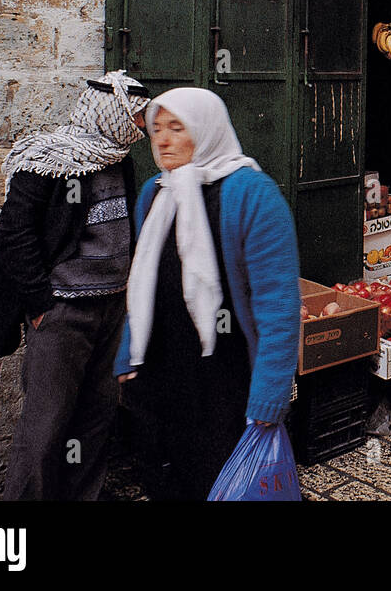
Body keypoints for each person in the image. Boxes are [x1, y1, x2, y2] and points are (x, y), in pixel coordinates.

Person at [113, 88, 302, 501]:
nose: (161, 140)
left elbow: (279, 306)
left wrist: (270, 396)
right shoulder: (155, 193)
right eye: (156, 128)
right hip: (161, 372)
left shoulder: (253, 195)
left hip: (224, 382)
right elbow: (141, 284)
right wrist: (129, 352)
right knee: (164, 477)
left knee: (218, 481)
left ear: (206, 130)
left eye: (176, 128)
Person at [0, 70, 151, 500]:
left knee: (96, 418)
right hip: (62, 313)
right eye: (134, 117)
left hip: (111, 310)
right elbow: (12, 233)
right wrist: (41, 304)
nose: (140, 128)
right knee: (45, 425)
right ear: (110, 112)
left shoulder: (120, 160)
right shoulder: (49, 160)